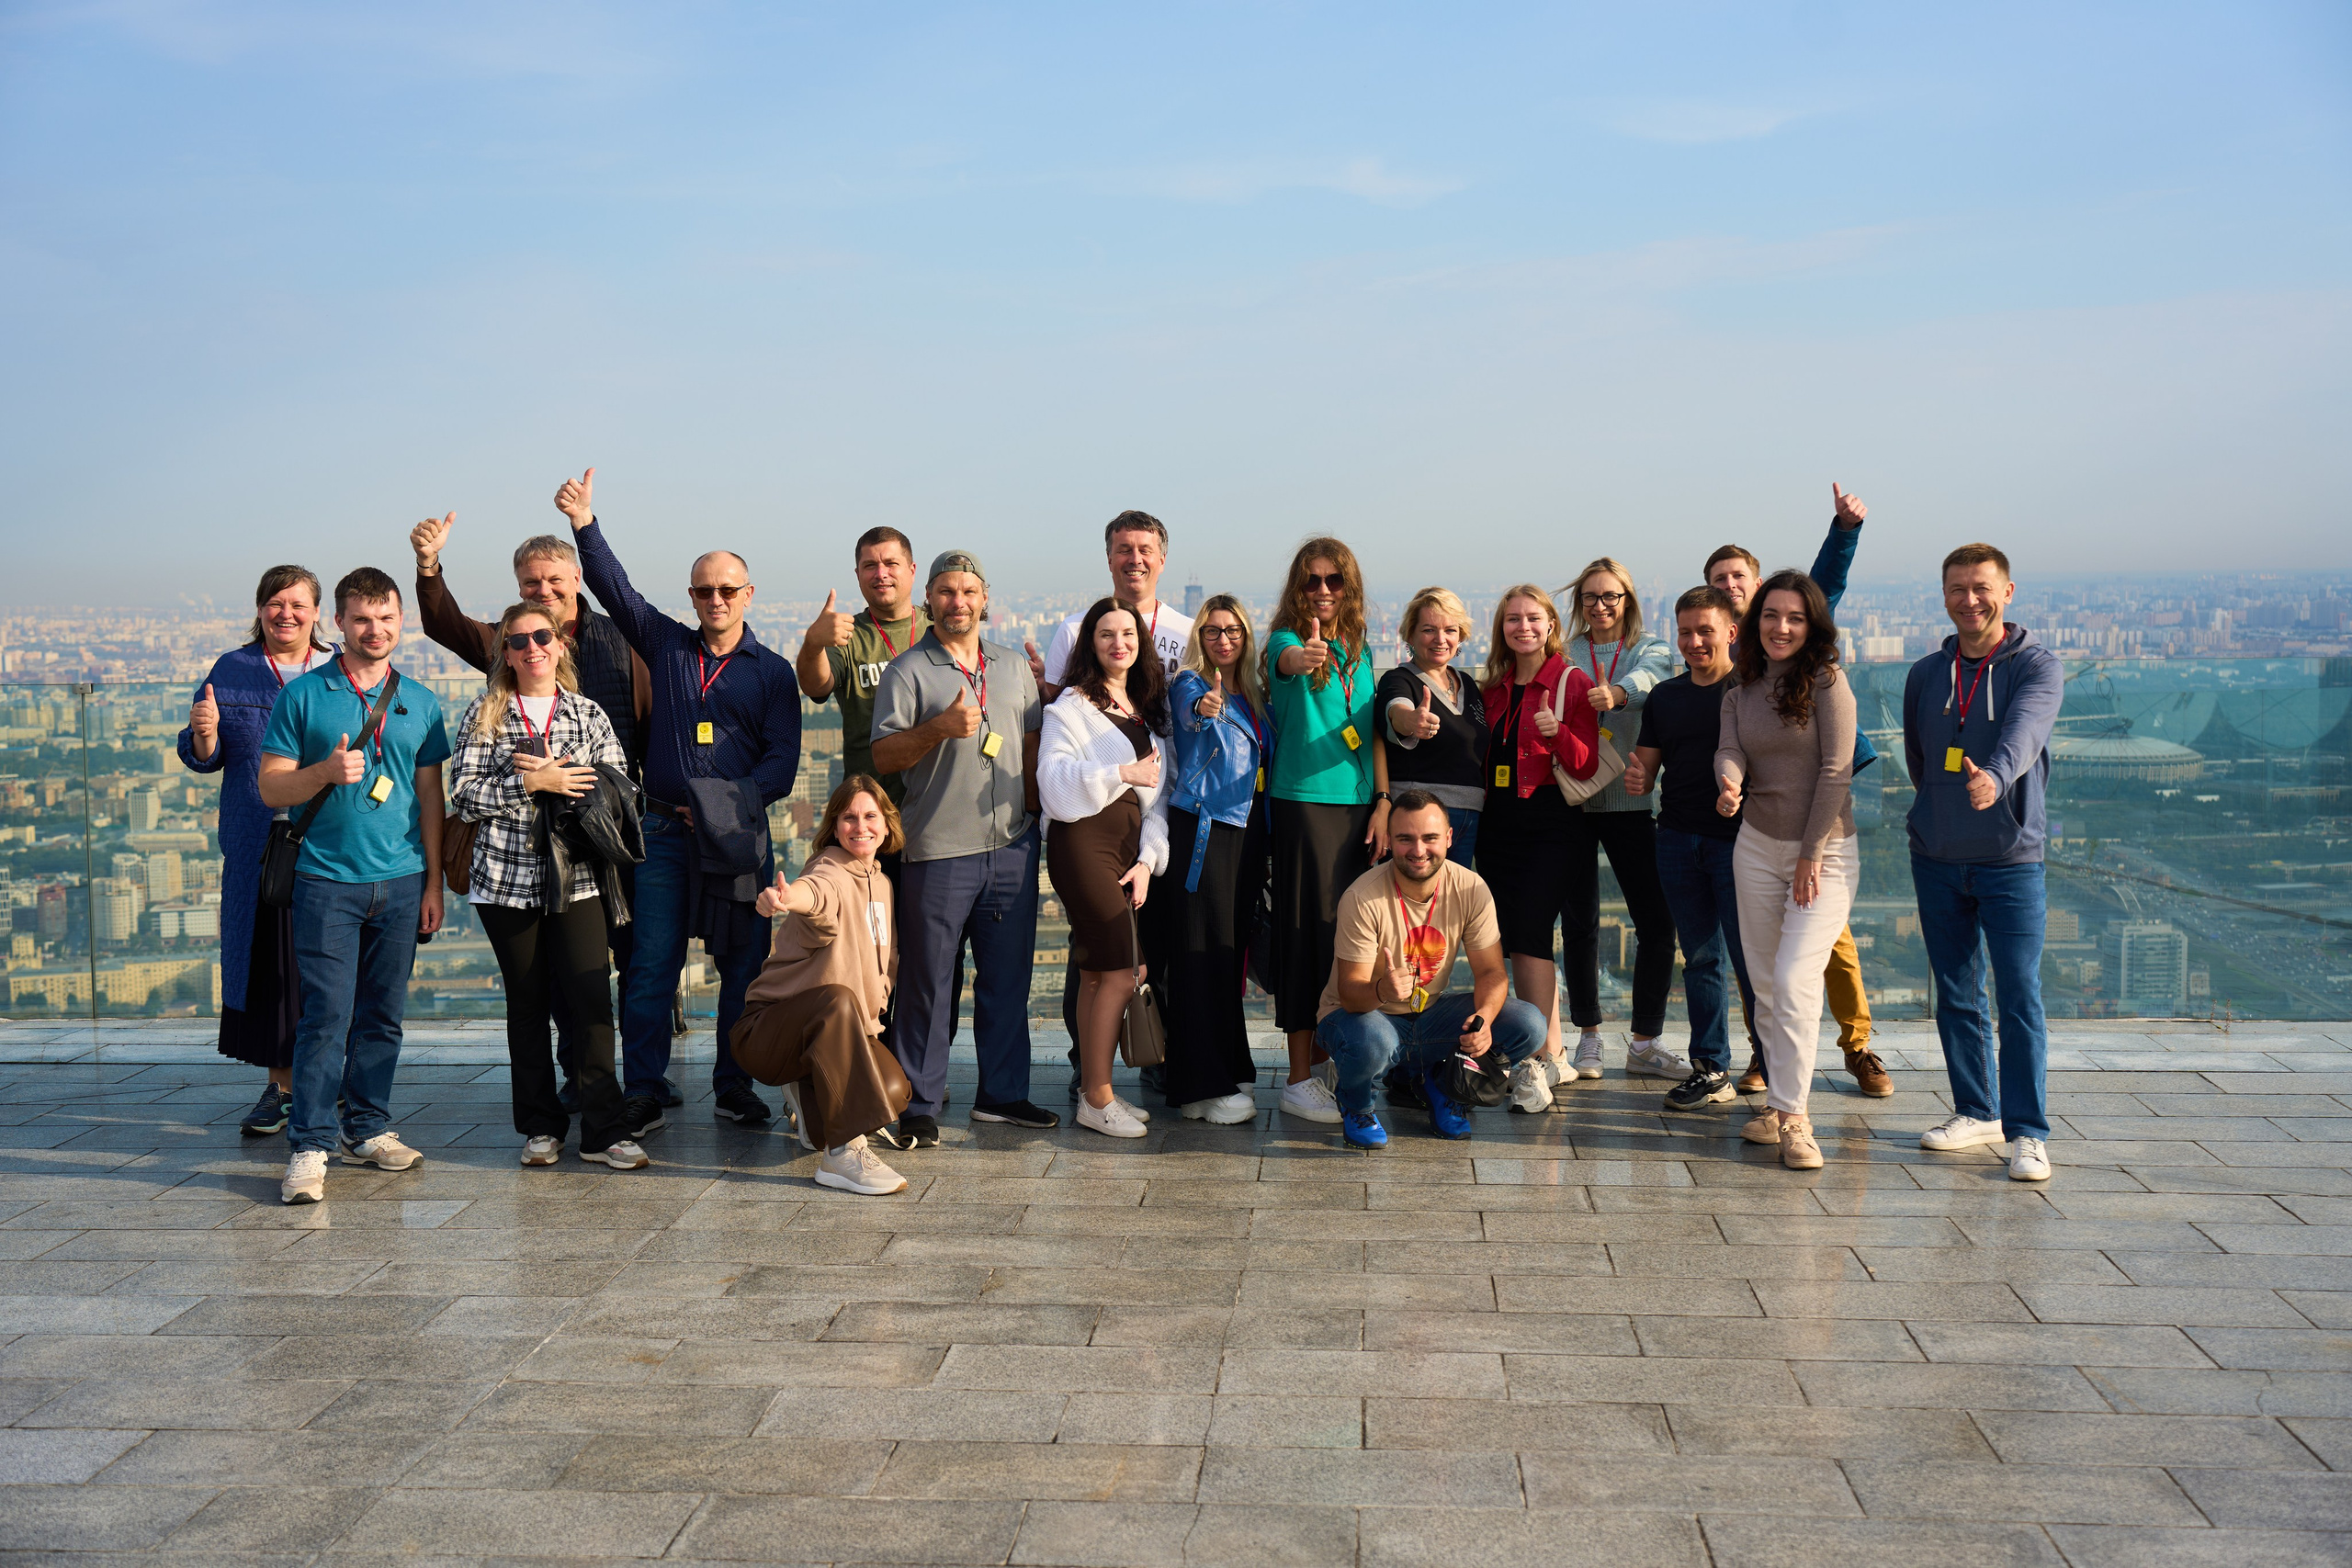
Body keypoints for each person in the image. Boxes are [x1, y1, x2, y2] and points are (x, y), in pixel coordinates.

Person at [555, 468, 801, 1137]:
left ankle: (735, 1083)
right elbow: (616, 589)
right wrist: (585, 524)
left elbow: (784, 762)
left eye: (727, 589)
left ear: (748, 594)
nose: (715, 598)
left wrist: (724, 801)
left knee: (744, 966)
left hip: (739, 838)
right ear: (692, 595)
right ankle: (643, 1087)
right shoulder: (667, 646)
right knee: (651, 963)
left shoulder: (772, 673)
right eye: (704, 589)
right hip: (662, 834)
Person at [410, 513, 654, 1109]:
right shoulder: (509, 648)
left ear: (576, 576)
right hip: (522, 859)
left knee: (627, 967)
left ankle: (639, 1082)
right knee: (555, 984)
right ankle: (578, 1083)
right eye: (530, 585)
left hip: (606, 840)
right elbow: (447, 625)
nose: (542, 594)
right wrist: (429, 567)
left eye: (551, 580)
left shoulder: (623, 639)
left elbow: (645, 729)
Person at [258, 567, 450, 1204]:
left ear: (402, 622)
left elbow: (429, 794)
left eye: (386, 617)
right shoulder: (305, 696)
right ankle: (310, 1144)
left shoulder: (421, 700)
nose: (375, 629)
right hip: (325, 881)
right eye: (362, 618)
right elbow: (269, 786)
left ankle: (366, 1127)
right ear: (337, 622)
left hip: (400, 881)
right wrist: (324, 771)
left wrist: (433, 882)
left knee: (383, 1016)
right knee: (326, 1017)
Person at [1703, 482, 1889, 1098]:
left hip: (1824, 817)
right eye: (1719, 579)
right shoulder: (1729, 656)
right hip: (1759, 821)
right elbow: (1727, 732)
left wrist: (1844, 530)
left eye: (1738, 576)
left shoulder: (1798, 640)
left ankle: (1856, 1046)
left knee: (1821, 948)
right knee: (1770, 963)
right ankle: (1772, 1061)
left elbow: (1823, 584)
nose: (1730, 586)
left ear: (1755, 585)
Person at [448, 603, 644, 1170]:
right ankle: (539, 1126)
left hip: (579, 876)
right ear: (504, 655)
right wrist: (530, 780)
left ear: (560, 644)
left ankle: (604, 1130)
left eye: (542, 637)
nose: (532, 647)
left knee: (590, 1000)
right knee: (527, 1003)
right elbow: (463, 796)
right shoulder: (486, 714)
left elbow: (615, 786)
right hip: (506, 880)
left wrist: (559, 784)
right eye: (518, 641)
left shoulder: (587, 713)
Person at [870, 549, 1057, 1145]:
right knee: (928, 984)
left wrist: (1033, 820)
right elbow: (884, 756)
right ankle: (917, 1101)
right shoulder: (908, 671)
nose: (958, 602)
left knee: (1008, 978)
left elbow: (1029, 746)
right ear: (930, 600)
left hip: (1011, 846)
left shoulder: (1010, 666)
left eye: (968, 591)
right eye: (947, 592)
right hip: (938, 848)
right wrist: (937, 730)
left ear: (984, 600)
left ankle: (1002, 1094)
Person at [1904, 543, 2064, 1182]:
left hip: (2009, 857)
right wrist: (1944, 805)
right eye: (1957, 589)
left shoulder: (2036, 666)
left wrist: (1994, 780)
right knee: (1957, 993)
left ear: (2008, 591)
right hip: (1937, 854)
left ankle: (2028, 1132)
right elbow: (1920, 759)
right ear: (1943, 595)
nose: (1969, 600)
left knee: (2019, 995)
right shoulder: (1924, 673)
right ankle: (1977, 1109)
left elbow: (2025, 732)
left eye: (1981, 588)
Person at [1034, 511, 1193, 1096]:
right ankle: (1091, 1074)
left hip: (1153, 819)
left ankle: (1150, 1056)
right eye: (1124, 549)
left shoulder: (1185, 628)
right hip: (1089, 829)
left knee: (1144, 955)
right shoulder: (1075, 629)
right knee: (1102, 958)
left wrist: (1154, 846)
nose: (1135, 559)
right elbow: (1058, 717)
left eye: (1145, 548)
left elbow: (1174, 733)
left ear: (1162, 556)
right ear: (1109, 558)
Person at [179, 565, 337, 1136]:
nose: (286, 613)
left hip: (332, 837)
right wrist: (204, 735)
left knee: (329, 963)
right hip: (261, 840)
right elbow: (204, 753)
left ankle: (329, 1083)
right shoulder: (233, 668)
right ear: (260, 609)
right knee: (273, 965)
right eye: (276, 602)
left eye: (298, 603)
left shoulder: (338, 669)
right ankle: (281, 1086)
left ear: (318, 612)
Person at [1714, 570, 1859, 1172]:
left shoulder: (1828, 682)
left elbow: (1836, 771)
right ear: (1755, 621)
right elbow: (1731, 746)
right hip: (1754, 846)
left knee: (1798, 979)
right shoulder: (1740, 688)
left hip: (1823, 853)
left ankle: (1796, 1119)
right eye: (1771, 615)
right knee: (1767, 986)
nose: (1781, 627)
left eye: (1795, 618)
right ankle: (1779, 1101)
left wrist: (1808, 854)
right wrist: (1729, 778)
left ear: (1812, 624)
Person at [1314, 789, 1548, 1148]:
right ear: (1389, 841)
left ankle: (1443, 1086)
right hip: (1362, 1018)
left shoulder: (1470, 887)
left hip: (1429, 1015)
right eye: (1406, 839)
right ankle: (1357, 1104)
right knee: (1373, 1040)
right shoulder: (1363, 897)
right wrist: (1382, 990)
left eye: (1430, 838)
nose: (1419, 850)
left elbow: (1491, 972)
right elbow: (1349, 993)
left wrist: (1483, 1020)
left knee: (1528, 1024)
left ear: (1450, 838)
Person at [730, 776, 917, 1196]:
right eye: (848, 818)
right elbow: (817, 896)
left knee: (893, 1090)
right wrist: (786, 899)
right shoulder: (827, 867)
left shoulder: (882, 884)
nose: (860, 826)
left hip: (825, 1030)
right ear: (834, 827)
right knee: (836, 1000)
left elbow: (882, 969)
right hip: (766, 1032)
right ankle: (841, 1154)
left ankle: (809, 1100)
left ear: (887, 825)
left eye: (871, 816)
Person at [1039, 599, 1175, 1138]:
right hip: (1082, 840)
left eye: (1128, 634)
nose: (1119, 643)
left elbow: (1158, 795)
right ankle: (1096, 1096)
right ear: (1089, 645)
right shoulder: (1069, 707)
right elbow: (1053, 782)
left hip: (1125, 847)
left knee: (1099, 973)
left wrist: (1147, 860)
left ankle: (1098, 1093)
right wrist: (1121, 769)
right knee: (1122, 970)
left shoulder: (1143, 706)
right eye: (1105, 634)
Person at [1263, 538, 1384, 1124]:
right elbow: (1289, 663)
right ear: (1297, 588)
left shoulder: (1359, 649)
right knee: (1306, 934)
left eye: (1335, 581)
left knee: (1352, 939)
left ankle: (1336, 1058)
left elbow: (1373, 731)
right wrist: (1305, 655)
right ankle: (1297, 1076)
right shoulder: (1287, 641)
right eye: (1311, 581)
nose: (1323, 591)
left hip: (1360, 809)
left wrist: (1383, 801)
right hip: (1306, 806)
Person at [1623, 586, 1753, 1112]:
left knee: (1751, 961)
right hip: (1676, 838)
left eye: (1705, 630)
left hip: (1742, 842)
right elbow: (1647, 766)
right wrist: (1637, 776)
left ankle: (1774, 1068)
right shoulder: (1667, 696)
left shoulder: (1753, 690)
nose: (1694, 641)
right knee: (1700, 958)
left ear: (1731, 632)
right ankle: (1712, 1068)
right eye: (1685, 632)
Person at [1475, 585, 1601, 1113]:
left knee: (1529, 933)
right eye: (1511, 619)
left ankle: (1540, 1054)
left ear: (1550, 625)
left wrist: (1555, 735)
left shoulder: (1572, 683)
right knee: (1516, 937)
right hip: (1499, 823)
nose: (1522, 627)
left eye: (1532, 618)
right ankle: (1553, 1050)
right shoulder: (1495, 688)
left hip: (1552, 822)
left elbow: (1588, 765)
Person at [1559, 558, 1683, 1083]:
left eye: (1611, 596)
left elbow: (1652, 677)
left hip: (1633, 802)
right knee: (1579, 922)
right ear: (1579, 603)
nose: (1601, 605)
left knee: (1656, 922)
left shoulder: (1649, 645)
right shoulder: (1564, 652)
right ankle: (1587, 1036)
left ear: (1628, 600)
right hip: (1574, 800)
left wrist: (1615, 694)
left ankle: (1644, 1040)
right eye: (1591, 597)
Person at [1162, 596, 1272, 1124]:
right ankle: (1198, 1084)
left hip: (1245, 833)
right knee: (1200, 953)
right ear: (1199, 637)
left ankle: (1228, 1061)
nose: (1223, 639)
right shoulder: (1191, 682)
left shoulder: (1252, 693)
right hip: (1205, 828)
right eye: (1212, 631)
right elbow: (1189, 710)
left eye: (1233, 631)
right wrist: (1202, 706)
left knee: (1228, 955)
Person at [794, 527, 929, 803]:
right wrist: (813, 643)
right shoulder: (845, 634)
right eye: (870, 566)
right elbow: (815, 687)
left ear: (912, 570)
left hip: (936, 805)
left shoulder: (940, 627)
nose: (881, 574)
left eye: (891, 564)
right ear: (857, 575)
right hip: (873, 810)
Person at [1376, 588, 1489, 866]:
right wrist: (1412, 722)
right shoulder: (1399, 679)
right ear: (1410, 635)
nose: (1440, 639)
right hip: (1419, 819)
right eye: (1429, 630)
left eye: (1450, 630)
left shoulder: (1469, 685)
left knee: (1452, 905)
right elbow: (1397, 711)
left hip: (1468, 819)